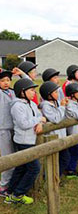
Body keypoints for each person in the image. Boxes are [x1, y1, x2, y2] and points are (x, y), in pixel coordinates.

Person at [5, 78, 45, 205]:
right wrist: (39, 120)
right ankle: (18, 194)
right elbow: (23, 124)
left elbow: (39, 115)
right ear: (22, 92)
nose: (34, 93)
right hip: (23, 140)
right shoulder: (17, 106)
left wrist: (39, 121)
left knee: (21, 167)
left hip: (30, 139)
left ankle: (10, 191)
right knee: (34, 168)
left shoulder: (31, 104)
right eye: (31, 90)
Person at [39, 81, 70, 176]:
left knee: (64, 158)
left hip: (60, 136)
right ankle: (51, 177)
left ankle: (56, 176)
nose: (58, 94)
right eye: (55, 92)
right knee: (57, 159)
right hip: (52, 137)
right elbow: (56, 119)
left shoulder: (56, 103)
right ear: (49, 95)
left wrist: (64, 106)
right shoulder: (45, 106)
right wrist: (62, 107)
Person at [0, 69, 15, 197]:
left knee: (16, 156)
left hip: (14, 128)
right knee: (7, 157)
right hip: (3, 129)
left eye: (8, 80)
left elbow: (27, 83)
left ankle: (11, 183)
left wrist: (21, 73)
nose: (6, 83)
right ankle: (3, 185)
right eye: (2, 80)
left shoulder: (12, 92)